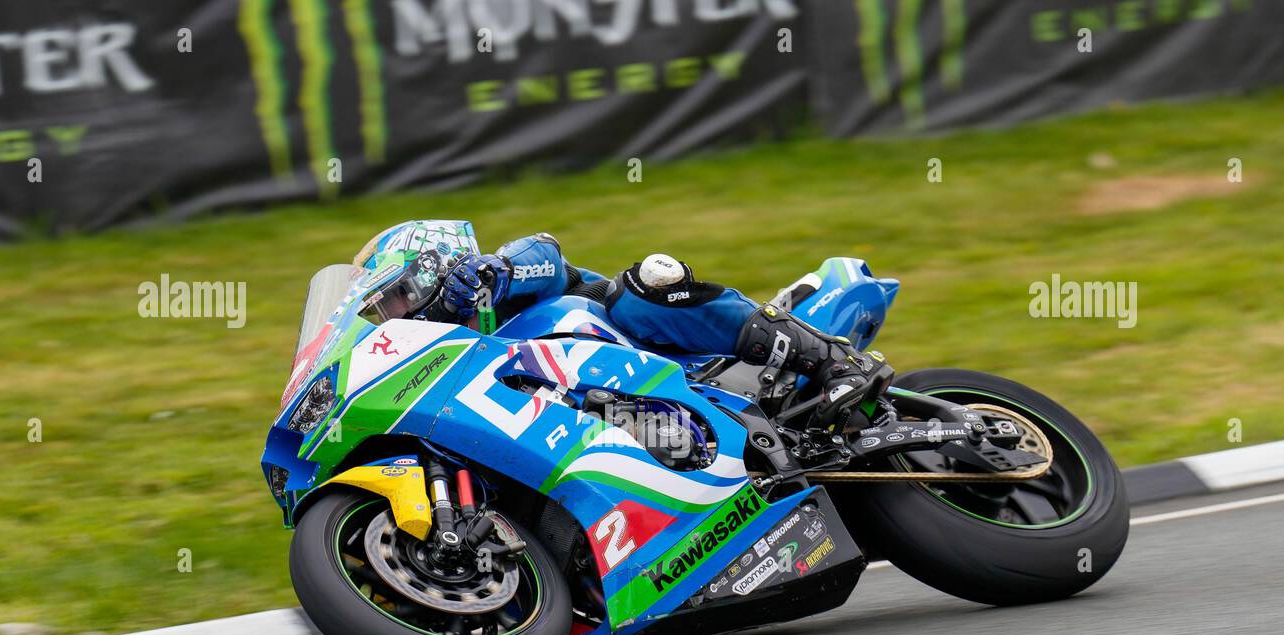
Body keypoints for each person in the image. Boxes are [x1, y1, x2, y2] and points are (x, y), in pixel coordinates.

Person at [353, 219, 891, 430]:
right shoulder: (454, 354)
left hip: (682, 362)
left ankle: (828, 358)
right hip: (622, 421)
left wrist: (500, 268)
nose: (393, 318)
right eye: (383, 313)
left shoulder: (501, 278)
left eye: (395, 299)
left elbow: (543, 248)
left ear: (434, 267)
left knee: (642, 288)